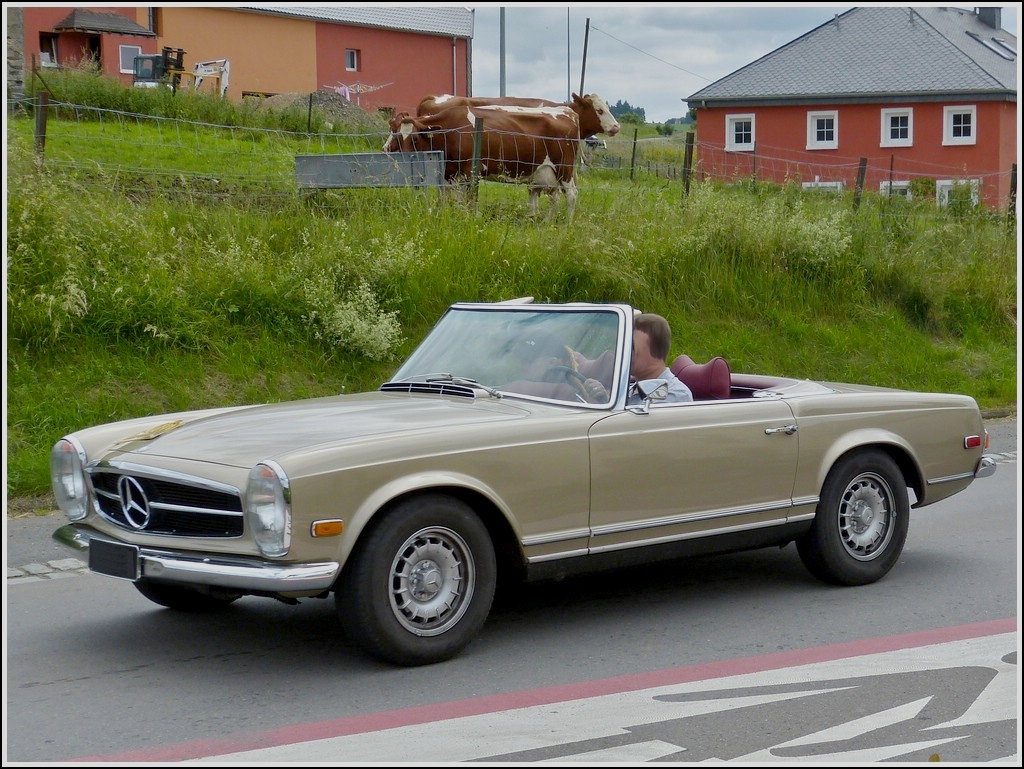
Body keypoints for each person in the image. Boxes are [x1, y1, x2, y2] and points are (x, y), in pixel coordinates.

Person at [629, 313, 693, 404]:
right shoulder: (630, 389)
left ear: (655, 349)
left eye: (632, 347)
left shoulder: (675, 395)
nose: (626, 352)